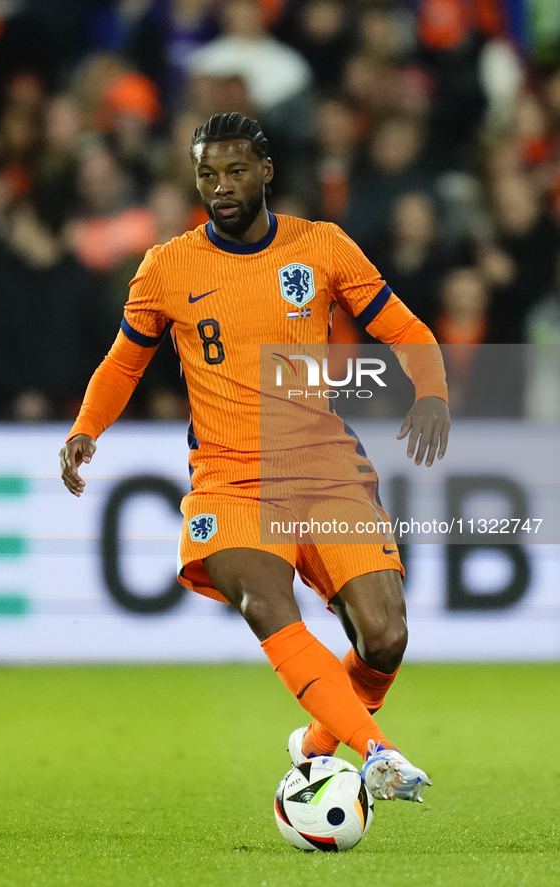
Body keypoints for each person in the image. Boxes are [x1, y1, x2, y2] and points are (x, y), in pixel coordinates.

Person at [60, 112, 450, 804]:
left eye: (235, 170)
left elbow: (405, 328)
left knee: (384, 636)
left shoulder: (322, 246)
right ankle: (377, 752)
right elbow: (123, 364)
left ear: (265, 171)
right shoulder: (167, 266)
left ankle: (317, 745)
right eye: (206, 173)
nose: (221, 186)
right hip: (229, 479)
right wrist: (86, 428)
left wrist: (431, 395)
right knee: (262, 599)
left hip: (324, 468)